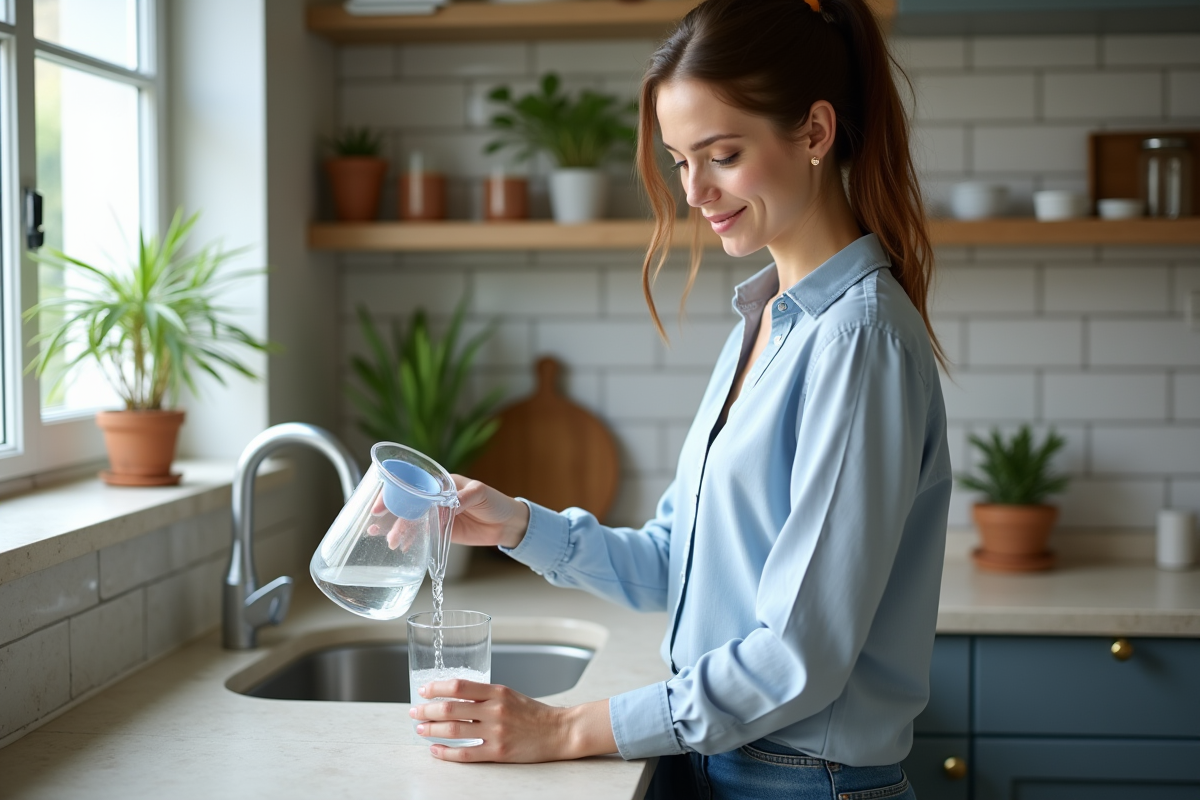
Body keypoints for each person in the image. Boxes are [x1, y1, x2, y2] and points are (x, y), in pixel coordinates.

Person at [408, 0, 952, 796]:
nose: (694, 190)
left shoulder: (857, 340)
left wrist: (566, 726)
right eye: (678, 161)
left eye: (722, 155)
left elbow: (799, 654)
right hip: (729, 766)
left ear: (814, 133)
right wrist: (516, 524)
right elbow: (681, 566)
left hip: (801, 782)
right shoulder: (766, 319)